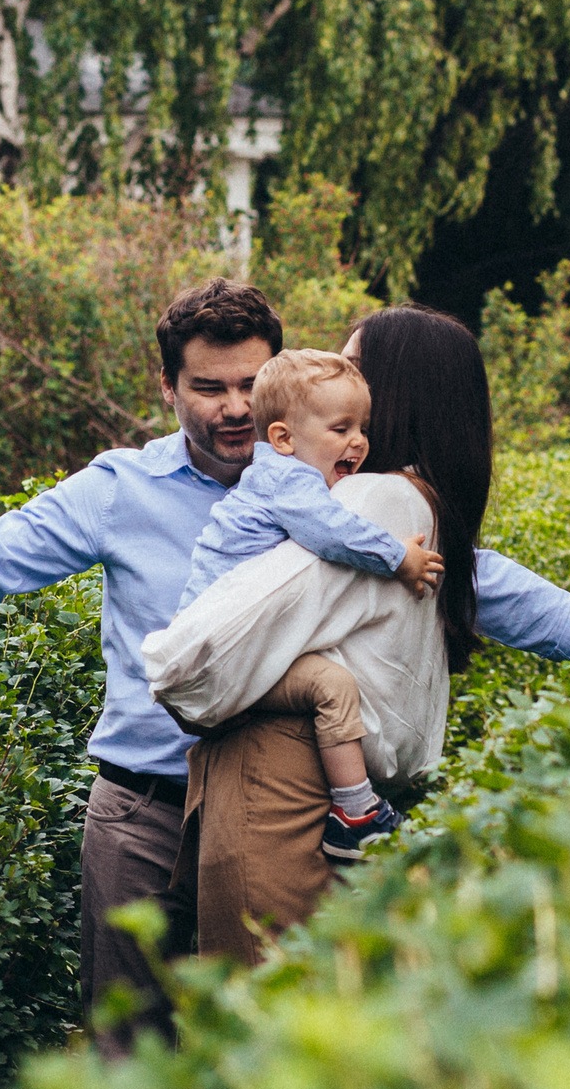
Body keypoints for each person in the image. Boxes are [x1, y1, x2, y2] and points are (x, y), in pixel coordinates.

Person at [0, 278, 570, 1052]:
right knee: (126, 1053)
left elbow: (486, 584)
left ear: (285, 388)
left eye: (250, 385)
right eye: (206, 387)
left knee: (262, 1046)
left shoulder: (341, 497)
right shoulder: (122, 489)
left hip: (274, 812)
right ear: (168, 386)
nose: (230, 408)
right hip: (140, 811)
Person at [148, 301, 553, 970]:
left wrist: (168, 670)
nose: (336, 374)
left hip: (275, 786)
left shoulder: (376, 502)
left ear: (398, 391)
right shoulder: (388, 505)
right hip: (296, 783)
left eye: (356, 366)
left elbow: (206, 652)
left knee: (268, 1006)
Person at [170, 346, 442, 861]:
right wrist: (397, 556)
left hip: (225, 654)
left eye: (363, 427)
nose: (359, 441)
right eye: (341, 429)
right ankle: (357, 812)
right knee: (333, 687)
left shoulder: (285, 476)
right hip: (218, 657)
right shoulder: (288, 481)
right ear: (283, 438)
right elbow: (332, 533)